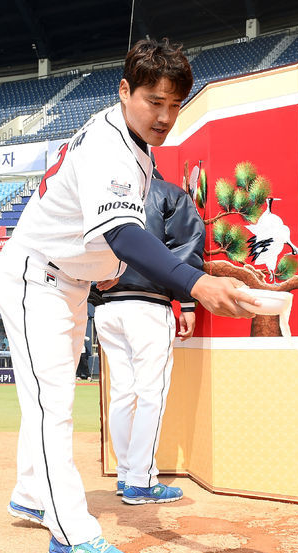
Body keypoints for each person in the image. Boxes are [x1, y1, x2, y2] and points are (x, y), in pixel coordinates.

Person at [0, 38, 261, 553]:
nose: (164, 116)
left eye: (174, 104)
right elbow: (122, 233)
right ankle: (70, 534)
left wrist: (188, 270)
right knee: (52, 406)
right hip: (36, 277)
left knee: (48, 399)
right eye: (153, 101)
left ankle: (30, 493)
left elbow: (114, 234)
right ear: (124, 91)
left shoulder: (131, 142)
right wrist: (195, 284)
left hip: (67, 283)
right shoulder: (109, 145)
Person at [94, 174, 204, 504]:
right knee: (150, 394)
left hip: (107, 310)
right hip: (148, 306)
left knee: (122, 393)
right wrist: (187, 302)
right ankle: (141, 482)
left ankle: (126, 474)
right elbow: (185, 247)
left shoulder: (102, 191)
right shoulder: (168, 193)